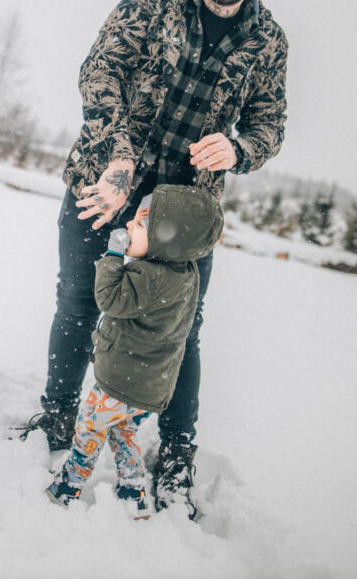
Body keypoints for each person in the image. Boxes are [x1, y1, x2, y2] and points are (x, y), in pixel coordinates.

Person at [19, 0, 289, 517]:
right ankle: (58, 416)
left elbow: (269, 124)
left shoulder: (268, 41)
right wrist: (118, 154)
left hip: (183, 214)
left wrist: (240, 148)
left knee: (181, 331)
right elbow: (101, 71)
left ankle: (176, 454)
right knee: (79, 302)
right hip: (106, 182)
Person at [45, 186, 223, 520]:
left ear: (165, 241)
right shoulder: (184, 273)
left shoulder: (148, 277)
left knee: (89, 428)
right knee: (122, 430)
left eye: (139, 225)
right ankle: (132, 487)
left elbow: (109, 298)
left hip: (118, 383)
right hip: (147, 388)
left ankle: (69, 483)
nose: (128, 226)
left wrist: (113, 257)